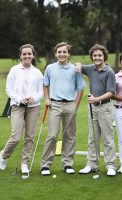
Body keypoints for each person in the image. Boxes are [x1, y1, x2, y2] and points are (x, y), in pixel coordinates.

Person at [40, 42, 85, 176]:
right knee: (52, 135)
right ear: (55, 54)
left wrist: (75, 105)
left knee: (69, 135)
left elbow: (80, 88)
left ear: (68, 54)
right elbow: (45, 84)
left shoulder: (75, 69)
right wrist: (47, 98)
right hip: (55, 104)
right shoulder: (50, 68)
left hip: (70, 104)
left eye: (64, 52)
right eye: (59, 52)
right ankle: (45, 165)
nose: (62, 54)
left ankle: (67, 164)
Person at [0, 44, 44, 174]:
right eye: (24, 54)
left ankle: (25, 163)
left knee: (29, 136)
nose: (27, 56)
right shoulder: (14, 70)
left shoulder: (37, 72)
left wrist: (33, 98)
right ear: (20, 55)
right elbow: (8, 89)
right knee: (16, 137)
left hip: (33, 107)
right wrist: (19, 99)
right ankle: (4, 155)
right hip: (17, 106)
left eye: (29, 54)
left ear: (33, 55)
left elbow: (40, 91)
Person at [76, 44, 117, 176]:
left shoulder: (109, 72)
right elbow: (79, 66)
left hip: (105, 107)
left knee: (107, 138)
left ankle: (111, 165)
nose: (97, 57)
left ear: (104, 56)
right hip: (93, 108)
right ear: (92, 57)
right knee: (92, 137)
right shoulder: (90, 69)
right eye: (94, 55)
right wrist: (77, 65)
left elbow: (111, 92)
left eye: (99, 55)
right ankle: (91, 164)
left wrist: (96, 99)